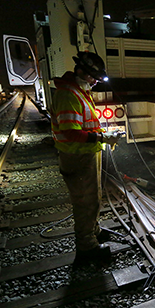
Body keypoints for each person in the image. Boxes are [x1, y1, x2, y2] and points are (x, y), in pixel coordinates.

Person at [51, 51, 121, 264]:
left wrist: (101, 137)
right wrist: (102, 137)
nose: (95, 81)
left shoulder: (79, 91)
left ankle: (94, 231)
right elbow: (71, 132)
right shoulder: (68, 95)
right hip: (77, 156)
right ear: (80, 71)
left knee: (93, 196)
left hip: (86, 154)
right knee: (84, 202)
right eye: (93, 77)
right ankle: (86, 247)